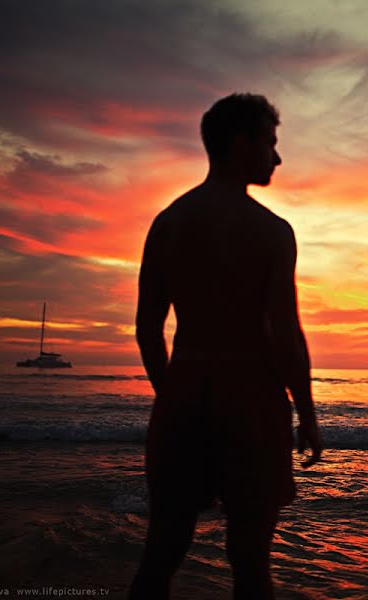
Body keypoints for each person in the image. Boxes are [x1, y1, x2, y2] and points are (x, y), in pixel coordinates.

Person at [129, 93, 323, 600]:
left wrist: (171, 396)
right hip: (252, 400)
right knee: (251, 564)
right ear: (242, 144)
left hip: (184, 393)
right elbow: (285, 332)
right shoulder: (271, 232)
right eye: (271, 143)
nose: (277, 158)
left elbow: (148, 328)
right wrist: (307, 412)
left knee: (162, 554)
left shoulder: (168, 223)